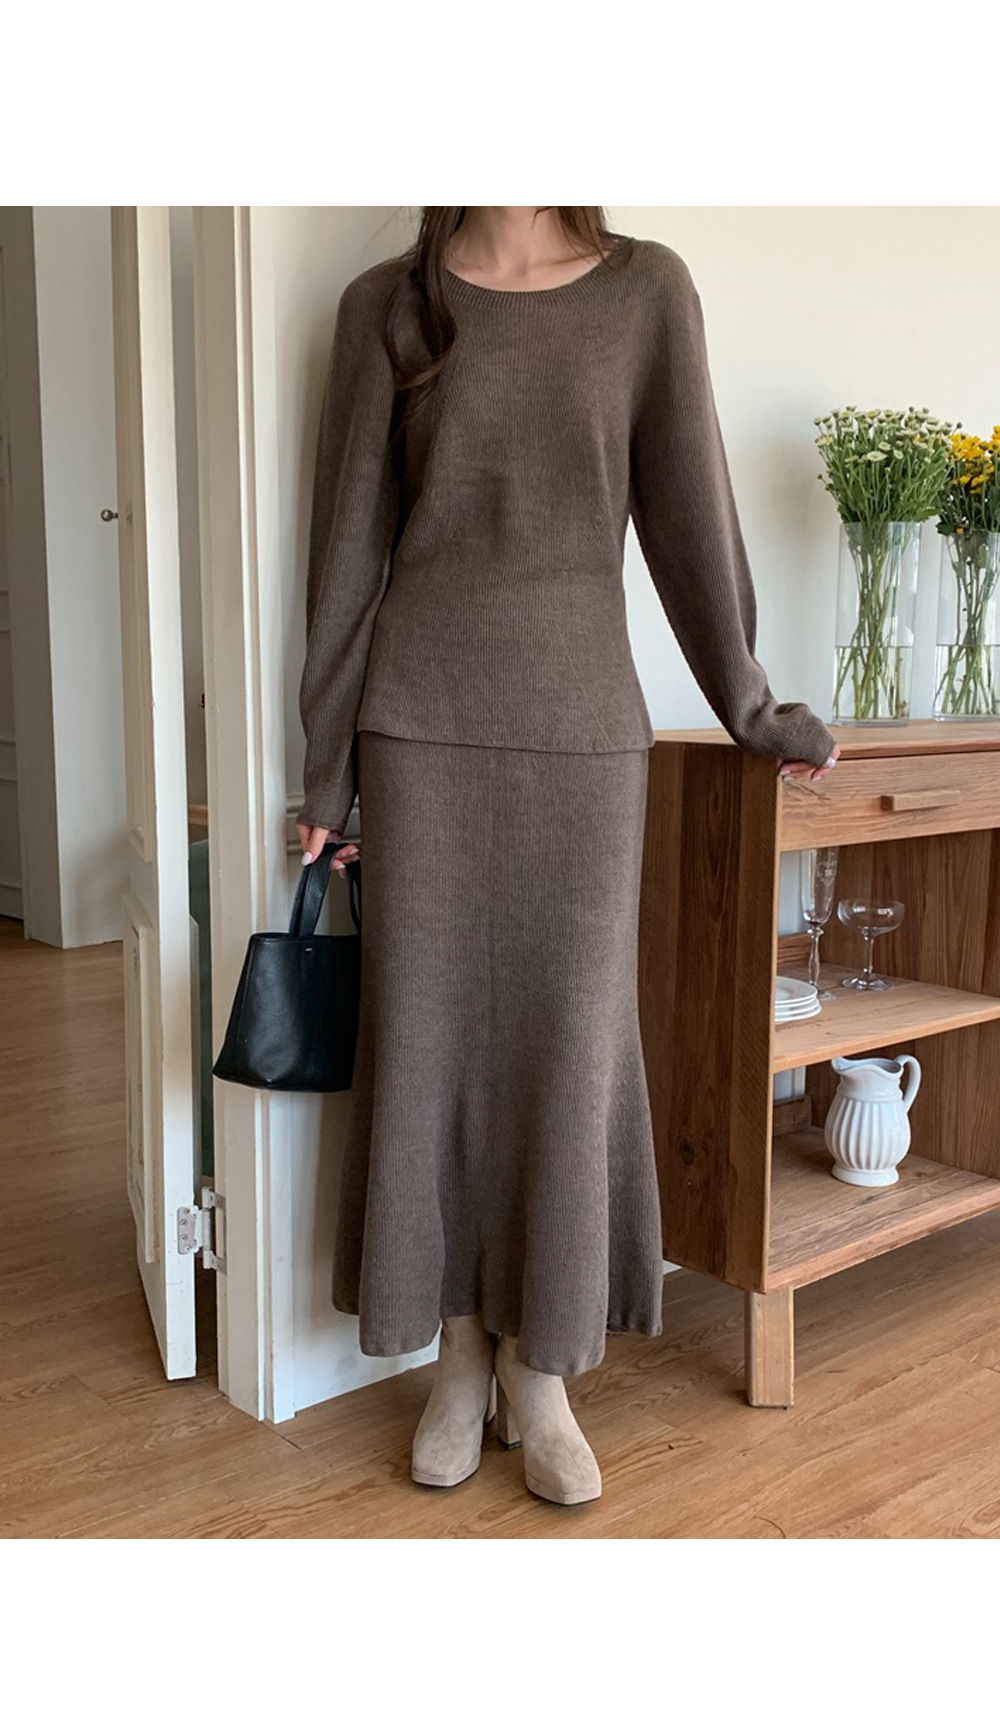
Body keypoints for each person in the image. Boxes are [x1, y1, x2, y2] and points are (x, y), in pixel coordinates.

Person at [297, 206, 835, 1504]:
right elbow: (348, 551)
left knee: (569, 1043)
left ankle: (540, 1370)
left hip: (585, 733)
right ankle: (456, 1356)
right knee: (428, 1042)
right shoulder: (385, 303)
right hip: (419, 729)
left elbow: (692, 516)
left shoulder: (645, 293)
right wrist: (328, 775)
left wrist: (753, 709)